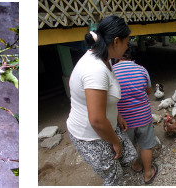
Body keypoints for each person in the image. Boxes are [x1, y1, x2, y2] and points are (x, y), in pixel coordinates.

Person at [66, 15, 137, 186]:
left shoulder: (105, 58)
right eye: (126, 42)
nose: (127, 47)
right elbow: (96, 120)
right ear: (116, 41)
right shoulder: (95, 70)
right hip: (90, 135)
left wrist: (117, 115)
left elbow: (106, 97)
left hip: (107, 125)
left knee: (130, 156)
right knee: (113, 177)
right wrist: (115, 142)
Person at [112, 46, 159, 184]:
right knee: (146, 145)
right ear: (132, 56)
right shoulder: (141, 70)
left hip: (123, 120)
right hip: (143, 116)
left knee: (129, 145)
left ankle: (136, 165)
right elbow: (148, 90)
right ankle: (148, 173)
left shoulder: (111, 72)